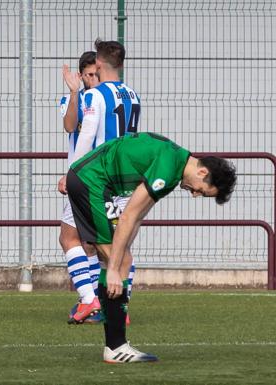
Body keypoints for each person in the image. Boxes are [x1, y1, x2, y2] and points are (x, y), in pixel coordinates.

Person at [66, 132, 236, 363]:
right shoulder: (168, 168)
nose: (195, 195)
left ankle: (116, 345)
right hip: (90, 181)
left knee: (122, 259)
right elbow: (128, 216)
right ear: (202, 172)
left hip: (91, 180)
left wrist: (121, 255)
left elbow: (137, 217)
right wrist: (115, 267)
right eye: (201, 190)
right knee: (118, 263)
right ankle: (115, 348)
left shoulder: (174, 167)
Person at [64, 39, 141, 324]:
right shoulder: (133, 95)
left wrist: (72, 173)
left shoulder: (96, 95)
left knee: (69, 236)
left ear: (99, 63)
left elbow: (87, 136)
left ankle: (90, 300)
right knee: (120, 246)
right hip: (125, 180)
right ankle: (120, 307)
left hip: (97, 179)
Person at [57, 51, 102, 324]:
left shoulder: (102, 99)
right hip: (104, 180)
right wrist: (74, 94)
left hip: (86, 179)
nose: (92, 79)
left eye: (96, 73)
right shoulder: (77, 98)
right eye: (88, 75)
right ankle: (96, 299)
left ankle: (90, 299)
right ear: (81, 76)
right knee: (92, 244)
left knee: (70, 238)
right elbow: (69, 125)